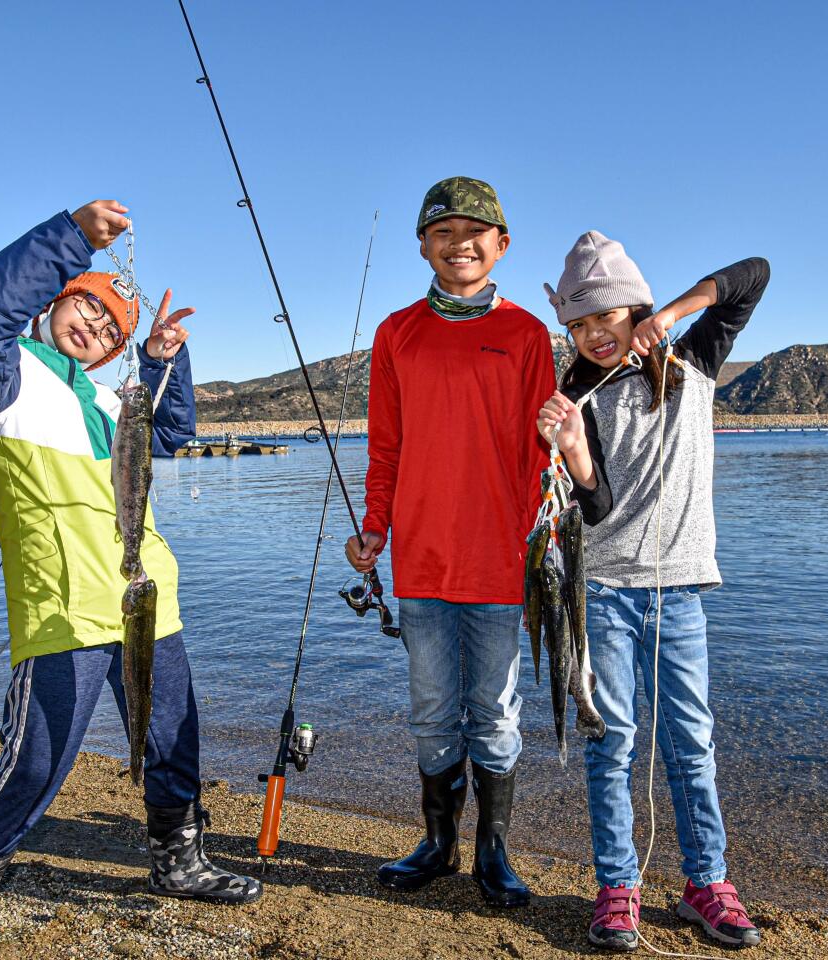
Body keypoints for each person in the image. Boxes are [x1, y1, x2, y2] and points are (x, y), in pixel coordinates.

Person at [0, 200, 259, 960]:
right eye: (87, 305)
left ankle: (177, 859)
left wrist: (161, 359)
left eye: (111, 328)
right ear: (57, 298)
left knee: (171, 740)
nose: (96, 326)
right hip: (63, 607)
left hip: (147, 595)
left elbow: (169, 433)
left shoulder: (103, 395)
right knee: (34, 762)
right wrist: (69, 240)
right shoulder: (0, 376)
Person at [537, 232, 769, 951]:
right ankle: (617, 889)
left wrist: (670, 315)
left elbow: (752, 276)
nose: (593, 334)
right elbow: (597, 509)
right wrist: (573, 449)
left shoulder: (695, 359)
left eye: (605, 316)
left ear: (633, 308)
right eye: (577, 325)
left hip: (681, 593)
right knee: (611, 744)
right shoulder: (577, 391)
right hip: (602, 591)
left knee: (691, 742)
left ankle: (707, 883)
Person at [345, 177, 554, 907]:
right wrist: (376, 527)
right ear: (423, 246)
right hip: (423, 562)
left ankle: (494, 853)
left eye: (475, 232)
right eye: (442, 232)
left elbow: (545, 457)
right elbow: (385, 447)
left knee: (495, 713)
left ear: (501, 245)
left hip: (502, 564)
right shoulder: (396, 332)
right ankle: (438, 843)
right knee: (433, 709)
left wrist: (543, 554)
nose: (458, 243)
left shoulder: (529, 334)